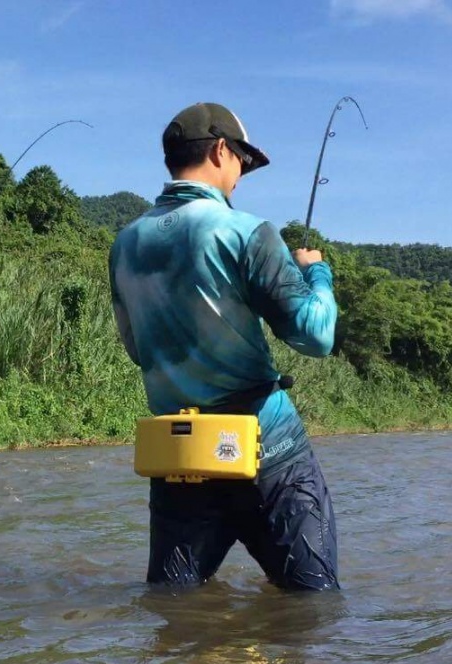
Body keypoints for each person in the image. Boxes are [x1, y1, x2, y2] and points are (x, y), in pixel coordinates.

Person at [109, 102, 340, 590]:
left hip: (181, 460)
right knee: (310, 609)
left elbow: (136, 348)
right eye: (240, 161)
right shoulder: (246, 231)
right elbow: (315, 335)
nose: (238, 178)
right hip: (267, 450)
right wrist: (316, 271)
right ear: (220, 150)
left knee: (175, 612)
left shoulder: (125, 244)